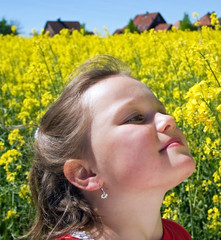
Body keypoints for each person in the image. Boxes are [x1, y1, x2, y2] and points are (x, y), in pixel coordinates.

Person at [27, 54, 196, 240]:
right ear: (85, 173)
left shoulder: (180, 234)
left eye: (162, 111)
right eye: (135, 118)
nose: (168, 119)